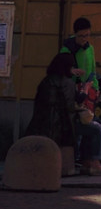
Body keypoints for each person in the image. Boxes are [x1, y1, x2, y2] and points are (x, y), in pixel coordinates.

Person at [27, 49, 80, 179]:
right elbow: (70, 107)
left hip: (41, 125)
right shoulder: (69, 83)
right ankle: (88, 163)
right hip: (64, 128)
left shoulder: (46, 82)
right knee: (94, 129)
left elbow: (38, 104)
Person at [74, 69, 101, 176]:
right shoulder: (66, 83)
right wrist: (86, 89)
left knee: (94, 124)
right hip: (66, 121)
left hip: (69, 119)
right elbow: (77, 101)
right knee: (97, 128)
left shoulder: (66, 82)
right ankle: (94, 162)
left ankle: (87, 162)